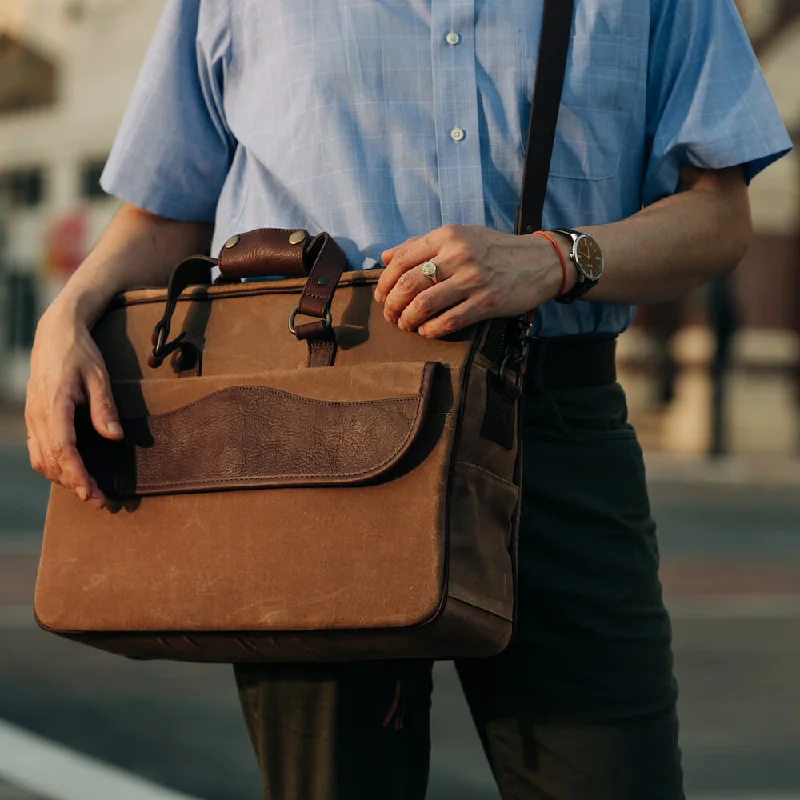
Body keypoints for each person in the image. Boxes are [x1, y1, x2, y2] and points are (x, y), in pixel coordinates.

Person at [25, 1, 791, 798]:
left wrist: (556, 259)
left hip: (554, 428)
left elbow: (719, 214)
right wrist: (69, 313)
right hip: (306, 433)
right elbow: (168, 210)